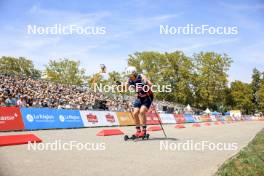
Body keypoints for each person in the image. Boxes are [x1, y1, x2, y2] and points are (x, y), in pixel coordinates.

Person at [118, 66, 154, 138]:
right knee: (135, 113)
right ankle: (138, 131)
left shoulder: (141, 76)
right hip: (139, 97)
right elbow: (124, 89)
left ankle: (144, 131)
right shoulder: (129, 80)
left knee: (142, 111)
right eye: (128, 76)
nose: (129, 77)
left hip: (147, 96)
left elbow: (151, 85)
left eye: (130, 75)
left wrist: (146, 82)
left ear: (134, 73)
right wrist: (119, 86)